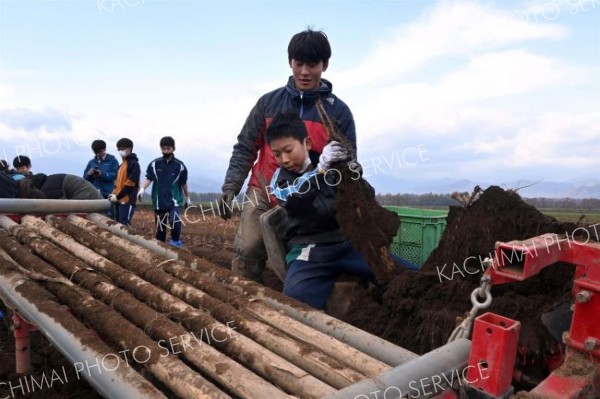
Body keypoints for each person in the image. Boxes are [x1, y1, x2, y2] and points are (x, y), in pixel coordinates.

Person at [220, 28, 356, 283]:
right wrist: (231, 186)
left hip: (308, 198)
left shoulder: (338, 113)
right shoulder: (268, 104)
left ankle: (293, 303)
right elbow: (245, 146)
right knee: (248, 249)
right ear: (290, 62)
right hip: (262, 189)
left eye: (312, 64)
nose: (305, 71)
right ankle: (241, 305)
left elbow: (348, 166)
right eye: (299, 63)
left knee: (296, 263)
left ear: (324, 65)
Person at [266, 113, 369, 309]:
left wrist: (352, 173)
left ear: (307, 143)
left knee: (400, 276)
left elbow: (362, 196)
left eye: (288, 150)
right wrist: (320, 171)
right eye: (277, 154)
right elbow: (295, 196)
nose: (284, 159)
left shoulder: (332, 164)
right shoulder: (279, 181)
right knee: (295, 301)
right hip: (310, 250)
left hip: (348, 242)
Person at [141, 136, 191, 247]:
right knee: (160, 231)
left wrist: (188, 197)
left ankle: (175, 242)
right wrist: (142, 189)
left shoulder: (180, 166)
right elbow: (149, 178)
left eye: (168, 148)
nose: (166, 151)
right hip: (159, 201)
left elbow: (183, 183)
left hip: (174, 201)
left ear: (173, 148)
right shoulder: (155, 164)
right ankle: (161, 248)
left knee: (174, 220)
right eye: (163, 149)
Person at [109, 138, 140, 225]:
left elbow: (129, 184)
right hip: (119, 200)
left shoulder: (133, 164)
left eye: (122, 149)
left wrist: (117, 197)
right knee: (118, 224)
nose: (120, 151)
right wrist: (114, 193)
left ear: (129, 149)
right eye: (119, 149)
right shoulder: (121, 165)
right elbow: (117, 183)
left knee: (124, 225)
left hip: (127, 201)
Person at [18, 174, 103, 200]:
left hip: (90, 201)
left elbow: (61, 208)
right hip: (93, 199)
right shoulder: (50, 180)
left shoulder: (49, 190)